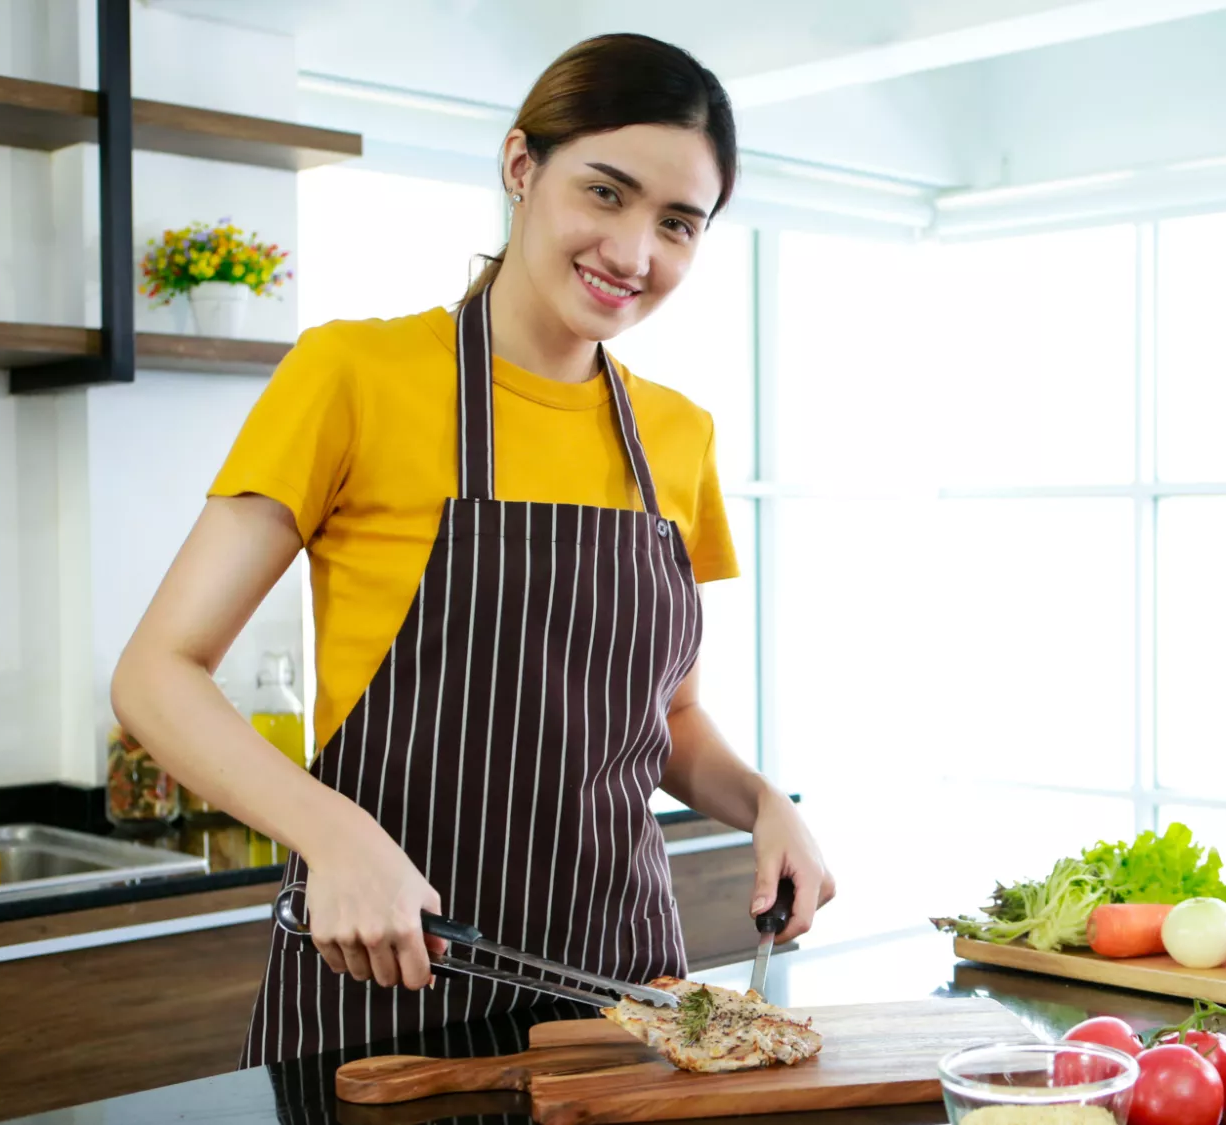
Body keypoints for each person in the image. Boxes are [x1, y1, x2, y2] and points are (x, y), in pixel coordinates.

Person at [111, 33, 832, 1066]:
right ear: (520, 166)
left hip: (625, 997)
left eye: (677, 223)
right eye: (605, 193)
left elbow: (665, 720)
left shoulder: (678, 434)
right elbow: (154, 675)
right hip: (386, 984)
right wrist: (335, 839)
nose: (633, 254)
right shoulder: (352, 373)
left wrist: (769, 806)